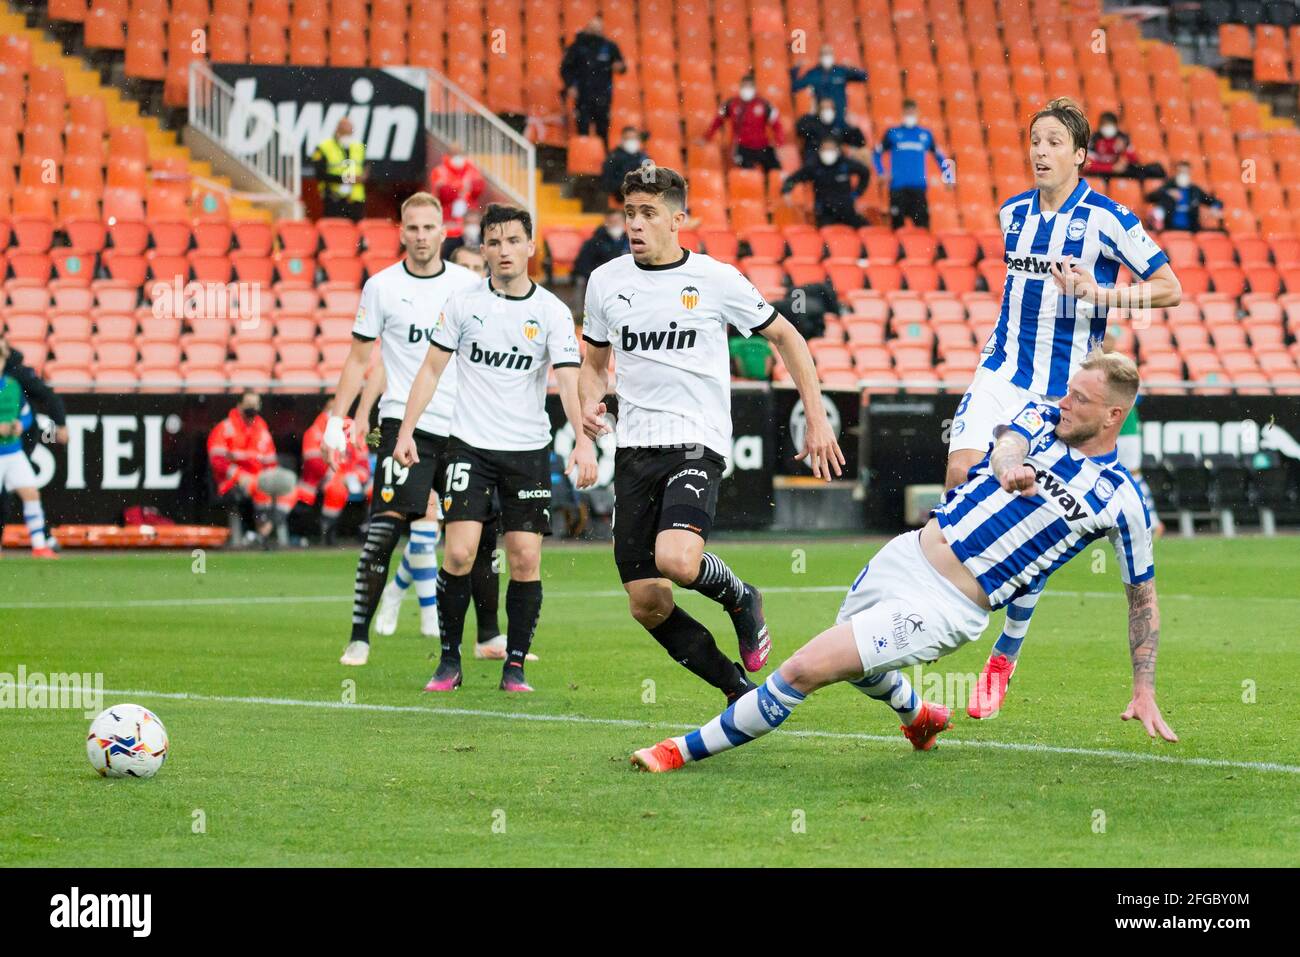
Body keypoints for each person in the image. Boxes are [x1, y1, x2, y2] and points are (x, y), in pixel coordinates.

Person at [631, 350, 1177, 773]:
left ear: (1113, 415)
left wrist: (1144, 688)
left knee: (805, 668)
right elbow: (1008, 446)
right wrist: (1011, 467)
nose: (1064, 402)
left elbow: (1142, 595)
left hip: (948, 605)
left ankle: (679, 750)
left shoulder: (1119, 497)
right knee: (855, 660)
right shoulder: (1038, 416)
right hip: (907, 555)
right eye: (1068, 391)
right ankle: (919, 716)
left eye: (1080, 400)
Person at [946, 97, 1181, 719]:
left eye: (1053, 142)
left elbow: (1170, 290)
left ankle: (1006, 651)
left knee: (1034, 512)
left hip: (1060, 391)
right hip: (1000, 371)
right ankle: (940, 611)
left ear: (1080, 155)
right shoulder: (1011, 214)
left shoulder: (1108, 218)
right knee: (960, 483)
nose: (1040, 151)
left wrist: (1101, 293)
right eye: (1034, 141)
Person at [578, 166, 845, 705]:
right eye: (630, 212)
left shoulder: (714, 279)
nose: (635, 224)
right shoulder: (606, 282)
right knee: (647, 602)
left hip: (694, 441)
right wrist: (590, 403)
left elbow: (787, 336)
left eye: (649, 213)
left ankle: (741, 596)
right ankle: (738, 691)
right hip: (633, 450)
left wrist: (815, 417)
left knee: (677, 560)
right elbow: (594, 361)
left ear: (679, 219)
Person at [395, 203, 597, 693]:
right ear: (482, 248)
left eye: (513, 241)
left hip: (527, 453)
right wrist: (405, 431)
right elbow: (430, 370)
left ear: (531, 246)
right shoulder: (464, 304)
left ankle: (515, 666)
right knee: (460, 554)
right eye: (494, 241)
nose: (503, 251)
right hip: (469, 448)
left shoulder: (550, 311)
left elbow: (569, 384)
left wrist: (584, 442)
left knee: (525, 558)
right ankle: (448, 662)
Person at [322, 192, 483, 667]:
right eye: (411, 228)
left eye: (428, 228)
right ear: (401, 232)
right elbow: (359, 359)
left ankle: (479, 639)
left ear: (443, 231)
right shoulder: (381, 287)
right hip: (403, 424)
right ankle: (358, 635)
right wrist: (340, 420)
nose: (420, 236)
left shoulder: (467, 285)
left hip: (463, 426)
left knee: (471, 536)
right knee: (384, 531)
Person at [0, 333, 66, 558]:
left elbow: (28, 412)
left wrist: (20, 424)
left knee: (29, 492)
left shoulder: (12, 383)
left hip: (14, 448)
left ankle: (40, 544)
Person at [206, 391, 292, 547]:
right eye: (249, 404)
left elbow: (271, 462)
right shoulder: (225, 428)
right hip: (230, 481)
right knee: (260, 486)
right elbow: (217, 461)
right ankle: (262, 532)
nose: (252, 408)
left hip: (258, 478)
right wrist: (240, 475)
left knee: (289, 487)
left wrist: (271, 476)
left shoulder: (262, 429)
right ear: (239, 405)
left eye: (256, 404)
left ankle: (267, 528)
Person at [1104, 329, 1165, 537]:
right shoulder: (1124, 365)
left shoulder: (1117, 367)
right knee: (1117, 474)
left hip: (1123, 429)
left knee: (1130, 475)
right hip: (1118, 429)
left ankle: (1152, 520)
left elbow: (1135, 398)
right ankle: (1120, 522)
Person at [297, 404, 371, 545]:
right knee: (336, 489)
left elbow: (363, 461)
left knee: (378, 489)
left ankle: (368, 530)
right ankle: (328, 534)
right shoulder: (315, 430)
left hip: (352, 476)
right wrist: (337, 474)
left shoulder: (351, 429)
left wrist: (356, 475)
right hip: (326, 477)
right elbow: (313, 463)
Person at [873, 100, 948, 229]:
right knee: (897, 228)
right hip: (897, 187)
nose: (910, 115)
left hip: (918, 187)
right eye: (907, 113)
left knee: (922, 228)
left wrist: (948, 176)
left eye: (912, 113)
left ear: (918, 113)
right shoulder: (892, 133)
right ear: (902, 113)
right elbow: (875, 153)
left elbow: (940, 156)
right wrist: (881, 172)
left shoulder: (925, 134)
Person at [560, 17, 626, 142]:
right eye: (592, 28)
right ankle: (583, 155)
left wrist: (619, 67)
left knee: (602, 130)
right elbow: (565, 69)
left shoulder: (610, 46)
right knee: (582, 129)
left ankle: (602, 158)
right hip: (583, 94)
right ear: (587, 29)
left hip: (602, 95)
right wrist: (570, 85)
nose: (595, 31)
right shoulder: (576, 47)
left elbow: (622, 66)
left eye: (598, 29)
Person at [781, 137, 871, 227]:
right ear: (820, 151)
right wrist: (786, 189)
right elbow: (794, 178)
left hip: (847, 210)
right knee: (828, 235)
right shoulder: (814, 166)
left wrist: (857, 192)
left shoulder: (845, 163)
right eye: (825, 149)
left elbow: (864, 172)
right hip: (825, 212)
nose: (828, 152)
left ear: (837, 150)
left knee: (868, 231)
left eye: (831, 149)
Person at [704, 74, 783, 171]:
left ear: (754, 88)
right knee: (748, 175)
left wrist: (779, 142)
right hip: (741, 147)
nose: (747, 89)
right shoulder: (731, 103)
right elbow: (718, 120)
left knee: (776, 171)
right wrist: (707, 137)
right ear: (740, 87)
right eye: (745, 86)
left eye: (749, 86)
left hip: (762, 147)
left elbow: (777, 124)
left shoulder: (764, 104)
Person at [789, 45, 867, 124]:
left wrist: (853, 67)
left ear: (833, 55)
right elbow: (795, 87)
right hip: (820, 119)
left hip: (840, 118)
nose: (826, 56)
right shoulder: (813, 73)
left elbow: (864, 77)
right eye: (824, 54)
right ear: (819, 56)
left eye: (829, 53)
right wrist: (795, 70)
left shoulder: (841, 71)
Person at [310, 116, 368, 221]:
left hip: (355, 200)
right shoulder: (324, 147)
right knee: (334, 232)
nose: (348, 136)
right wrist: (347, 179)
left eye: (350, 133)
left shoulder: (358, 147)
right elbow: (320, 175)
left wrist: (364, 176)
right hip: (334, 198)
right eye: (345, 132)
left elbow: (367, 167)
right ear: (337, 130)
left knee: (356, 234)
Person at [430, 144, 486, 247]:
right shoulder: (440, 171)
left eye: (460, 154)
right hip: (449, 220)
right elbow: (442, 192)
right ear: (448, 155)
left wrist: (460, 188)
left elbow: (479, 187)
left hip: (469, 217)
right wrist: (460, 189)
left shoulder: (471, 169)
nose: (457, 157)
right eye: (454, 154)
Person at [1085, 112, 1166, 182]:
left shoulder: (1122, 138)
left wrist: (1124, 152)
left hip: (1120, 173)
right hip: (1102, 173)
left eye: (1110, 124)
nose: (1107, 128)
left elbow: (1134, 160)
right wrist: (1111, 168)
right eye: (1105, 124)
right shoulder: (1094, 139)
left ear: (1116, 126)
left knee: (1152, 170)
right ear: (1100, 125)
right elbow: (1088, 165)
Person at [1145, 162, 1222, 233]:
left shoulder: (1195, 191)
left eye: (1185, 172)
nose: (1183, 174)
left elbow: (1214, 202)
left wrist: (1215, 207)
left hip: (1191, 229)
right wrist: (1168, 193)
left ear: (1190, 173)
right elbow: (1150, 197)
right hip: (1170, 228)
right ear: (1176, 173)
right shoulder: (1168, 186)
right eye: (1181, 172)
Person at [795, 95, 866, 167]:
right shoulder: (812, 123)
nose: (827, 111)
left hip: (836, 159)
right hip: (815, 160)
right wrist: (810, 115)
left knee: (862, 155)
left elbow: (859, 142)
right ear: (818, 109)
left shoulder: (838, 125)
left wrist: (854, 127)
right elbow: (800, 131)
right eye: (824, 108)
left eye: (829, 108)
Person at [573, 210, 629, 286]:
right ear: (605, 223)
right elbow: (582, 266)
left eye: (617, 221)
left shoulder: (631, 241)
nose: (614, 224)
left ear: (624, 222)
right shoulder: (593, 242)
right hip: (601, 283)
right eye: (611, 222)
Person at [601, 126, 650, 201]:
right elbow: (607, 183)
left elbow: (651, 183)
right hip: (620, 196)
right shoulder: (613, 158)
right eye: (628, 138)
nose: (631, 141)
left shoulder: (645, 158)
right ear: (622, 140)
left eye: (633, 138)